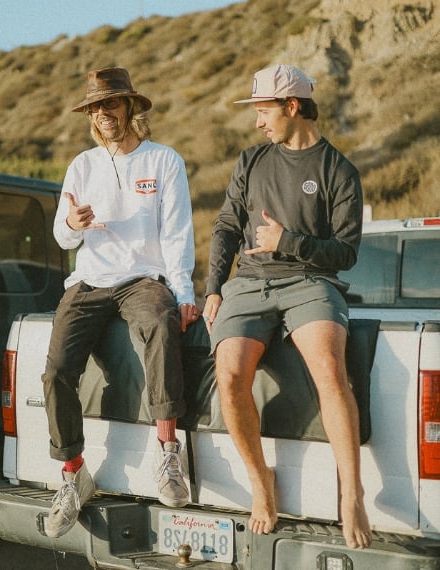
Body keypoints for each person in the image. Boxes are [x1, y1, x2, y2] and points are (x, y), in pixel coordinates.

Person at [202, 64, 372, 549]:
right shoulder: (251, 161)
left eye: (263, 110)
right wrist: (214, 287)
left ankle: (351, 494)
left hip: (310, 282)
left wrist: (287, 241)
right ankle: (262, 484)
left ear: (292, 107)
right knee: (230, 374)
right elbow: (225, 227)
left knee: (328, 368)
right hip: (250, 284)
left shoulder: (339, 171)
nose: (258, 121)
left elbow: (346, 253)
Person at [42, 67, 199, 539]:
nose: (103, 113)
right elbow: (63, 236)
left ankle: (168, 452)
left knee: (158, 324)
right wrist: (72, 221)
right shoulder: (81, 166)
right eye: (94, 107)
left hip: (141, 279)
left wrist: (184, 292)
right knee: (55, 371)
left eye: (110, 104)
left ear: (130, 106)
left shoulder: (163, 161)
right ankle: (73, 473)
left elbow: (176, 234)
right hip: (89, 280)